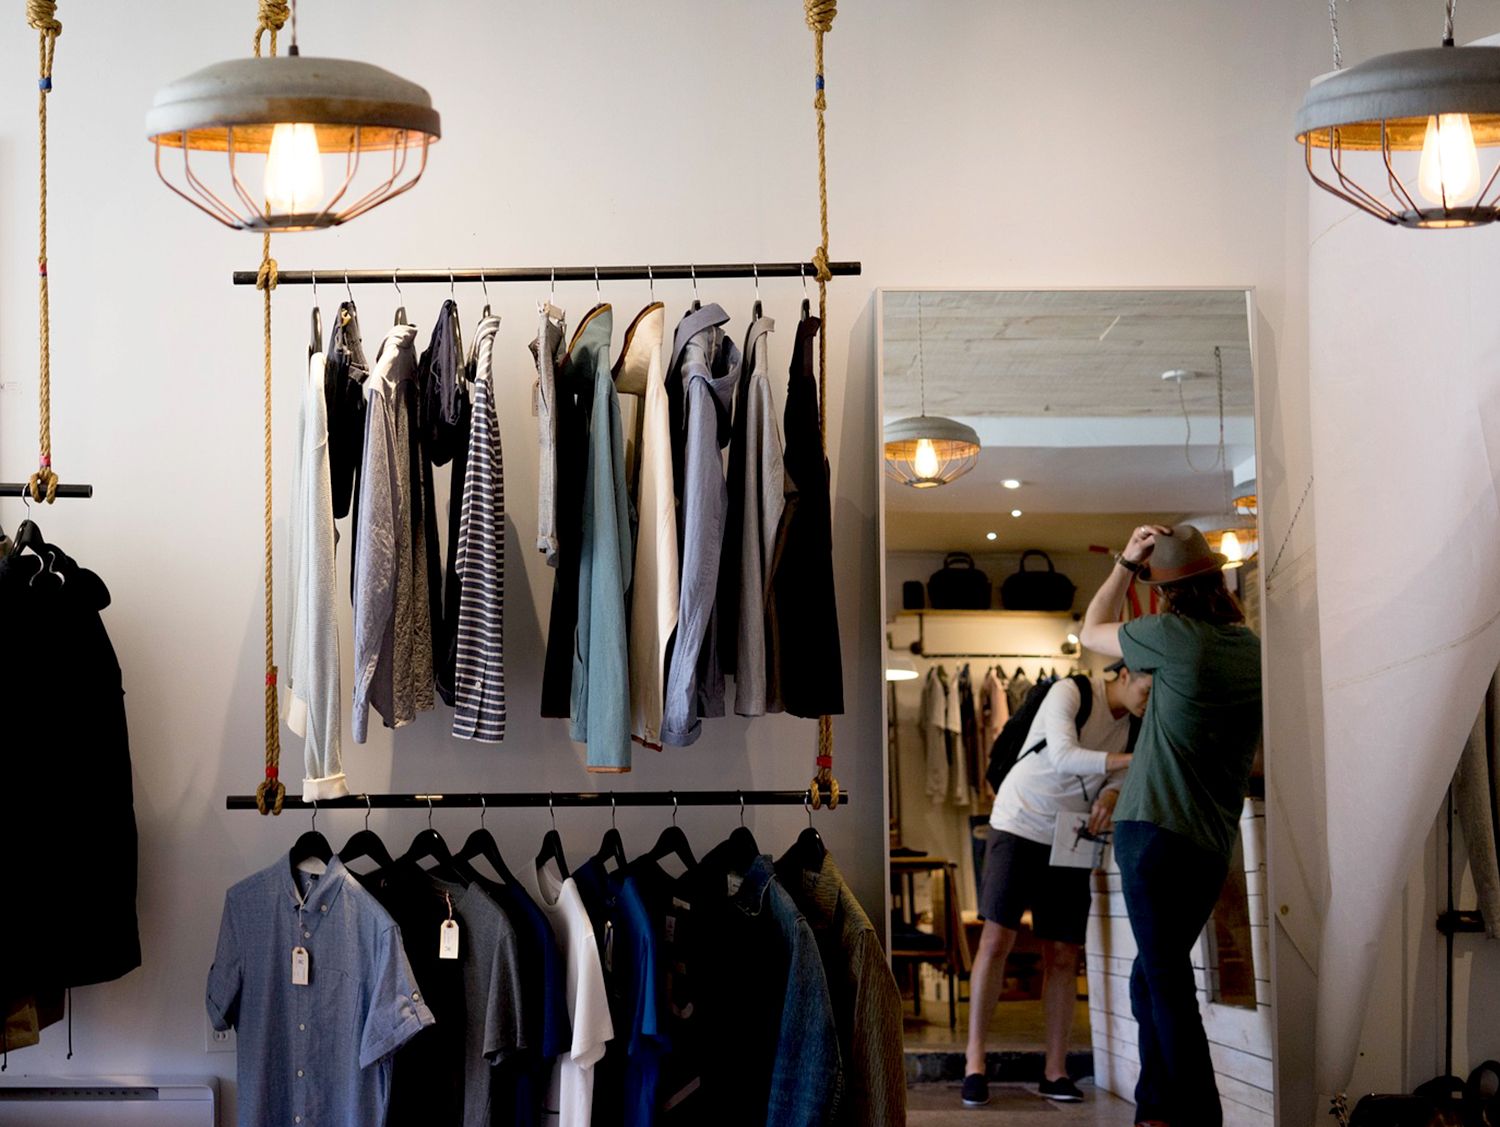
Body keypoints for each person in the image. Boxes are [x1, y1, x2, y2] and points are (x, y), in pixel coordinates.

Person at [1079, 523, 1263, 1127]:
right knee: (1148, 979)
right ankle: (1155, 1109)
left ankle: (1197, 1117)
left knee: (1166, 985)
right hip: (1209, 844)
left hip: (1151, 832)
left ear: (1166, 595)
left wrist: (1125, 563)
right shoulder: (1252, 650)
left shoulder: (1169, 635)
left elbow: (1091, 629)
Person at [961, 660, 1152, 1108]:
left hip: (1073, 833)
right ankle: (974, 1062)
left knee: (1064, 953)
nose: (1150, 697)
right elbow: (1064, 755)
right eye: (1147, 686)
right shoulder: (1072, 690)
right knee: (996, 940)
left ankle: (1055, 1070)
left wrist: (1111, 791)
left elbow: (1118, 778)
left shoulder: (1137, 726)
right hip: (1020, 819)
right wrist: (1134, 761)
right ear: (1124, 675)